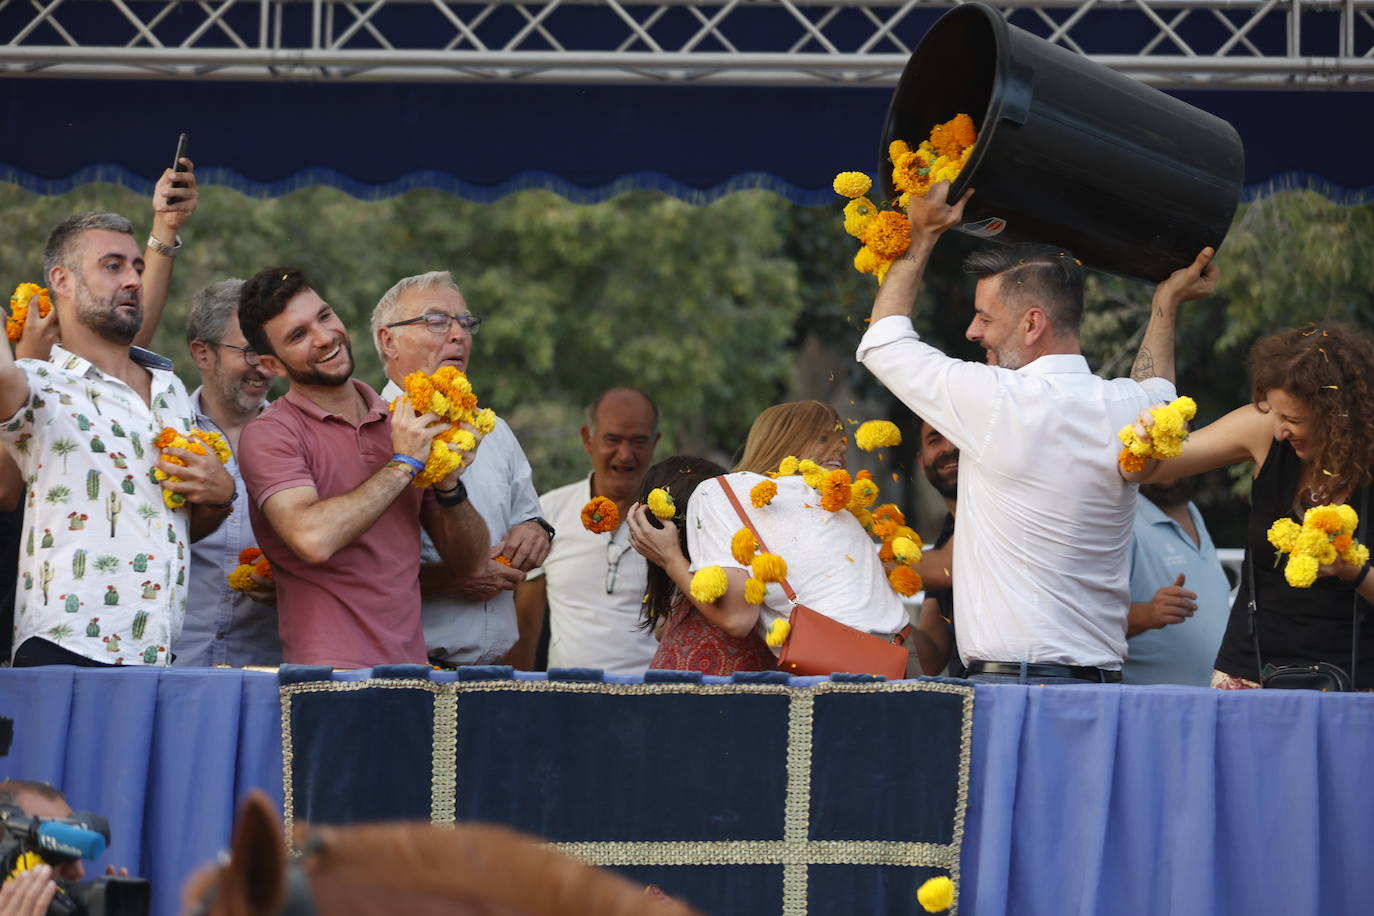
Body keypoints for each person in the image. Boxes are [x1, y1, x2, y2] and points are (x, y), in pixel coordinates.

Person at [856, 180, 1213, 684]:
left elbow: (883, 341)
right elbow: (1157, 388)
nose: (972, 332)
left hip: (1016, 687)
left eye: (984, 317)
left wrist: (923, 234)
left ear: (1032, 324)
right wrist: (1166, 304)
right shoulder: (1129, 406)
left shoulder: (999, 400)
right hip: (1102, 688)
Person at [0, 209, 233, 667]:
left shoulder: (170, 388)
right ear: (61, 281)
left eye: (137, 267)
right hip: (66, 650)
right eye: (113, 266)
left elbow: (181, 524)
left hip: (159, 652)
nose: (132, 280)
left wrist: (220, 496)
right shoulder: (37, 381)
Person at [235, 266, 489, 668]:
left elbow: (471, 564)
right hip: (327, 677)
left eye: (324, 316)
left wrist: (449, 485)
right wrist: (403, 463)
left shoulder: (400, 421)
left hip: (414, 672)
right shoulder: (269, 434)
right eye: (298, 335)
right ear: (273, 365)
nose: (324, 337)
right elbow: (312, 538)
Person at [1123, 322, 1374, 689]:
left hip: (1356, 683)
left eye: (1293, 419)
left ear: (1337, 415)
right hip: (1251, 675)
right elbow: (1147, 471)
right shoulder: (1263, 429)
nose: (1279, 431)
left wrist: (1353, 571)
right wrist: (1146, 437)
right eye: (1274, 414)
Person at [372, 271, 551, 667]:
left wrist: (536, 531)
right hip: (407, 674)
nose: (458, 335)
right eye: (437, 322)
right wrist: (451, 578)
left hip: (493, 673)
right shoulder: (369, 430)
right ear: (389, 340)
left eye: (465, 323)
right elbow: (353, 573)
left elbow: (530, 516)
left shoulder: (495, 430)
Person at [682, 401, 910, 654]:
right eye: (824, 438)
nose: (841, 450)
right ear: (783, 440)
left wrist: (670, 559)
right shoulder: (727, 491)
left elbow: (736, 620)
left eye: (842, 442)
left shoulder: (837, 507)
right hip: (892, 651)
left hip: (854, 658)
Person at [510, 388, 660, 674]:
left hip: (652, 702)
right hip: (568, 701)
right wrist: (518, 702)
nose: (625, 455)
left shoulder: (673, 519)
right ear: (586, 439)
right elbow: (526, 625)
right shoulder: (547, 514)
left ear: (655, 443)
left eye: (639, 441)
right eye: (612, 440)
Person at [176, 280, 280, 668]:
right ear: (203, 353)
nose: (262, 368)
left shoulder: (299, 441)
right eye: (250, 351)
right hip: (175, 665)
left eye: (268, 352)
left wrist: (287, 584)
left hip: (267, 669)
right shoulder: (164, 435)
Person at [625, 455, 775, 675]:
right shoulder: (689, 571)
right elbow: (662, 629)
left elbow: (737, 622)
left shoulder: (735, 566)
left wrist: (671, 558)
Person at [1122, 479, 1230, 686]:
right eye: (1156, 453)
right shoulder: (1123, 520)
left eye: (1175, 451)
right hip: (1151, 708)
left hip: (1207, 705)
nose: (1167, 466)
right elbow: (1085, 622)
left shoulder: (1193, 513)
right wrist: (1148, 614)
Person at [909, 416, 962, 677]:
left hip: (1031, 681)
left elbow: (946, 567)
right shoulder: (947, 532)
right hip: (973, 691)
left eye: (956, 434)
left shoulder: (999, 506)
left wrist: (859, 567)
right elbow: (930, 658)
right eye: (935, 440)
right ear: (921, 461)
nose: (949, 447)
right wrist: (880, 614)